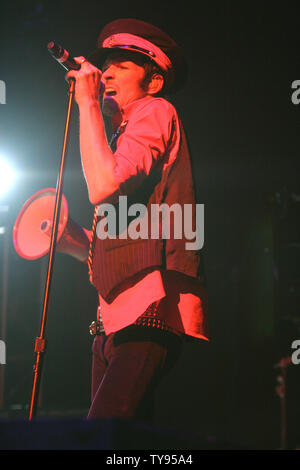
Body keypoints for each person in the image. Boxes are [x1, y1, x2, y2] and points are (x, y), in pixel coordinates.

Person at [67, 18, 209, 422]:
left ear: (155, 81)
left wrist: (88, 104)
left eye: (121, 66)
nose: (106, 73)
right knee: (128, 445)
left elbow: (104, 187)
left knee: (103, 438)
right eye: (105, 66)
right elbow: (123, 234)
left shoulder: (154, 110)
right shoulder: (121, 135)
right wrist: (70, 239)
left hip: (147, 310)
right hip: (112, 321)